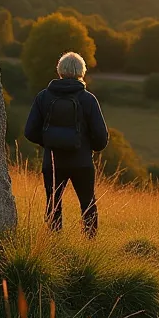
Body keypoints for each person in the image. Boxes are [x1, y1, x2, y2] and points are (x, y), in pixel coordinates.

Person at [24, 52, 109, 236]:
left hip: (52, 162)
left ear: (60, 70)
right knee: (87, 203)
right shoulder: (88, 99)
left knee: (53, 203)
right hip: (82, 163)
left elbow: (29, 131)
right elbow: (101, 138)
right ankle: (89, 245)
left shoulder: (43, 97)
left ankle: (53, 243)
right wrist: (86, 147)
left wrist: (49, 142)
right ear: (81, 71)